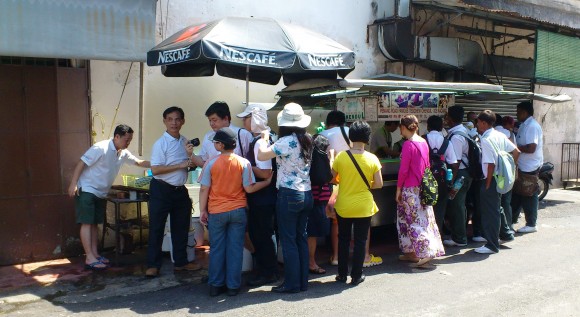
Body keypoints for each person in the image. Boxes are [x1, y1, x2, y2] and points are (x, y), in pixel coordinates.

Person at [198, 127, 272, 297]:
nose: (215, 144)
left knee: (217, 249)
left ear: (220, 145)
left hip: (217, 211)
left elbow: (204, 189)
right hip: (238, 211)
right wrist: (267, 182)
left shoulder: (211, 163)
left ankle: (216, 285)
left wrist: (203, 210)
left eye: (216, 142)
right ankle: (233, 286)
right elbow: (249, 188)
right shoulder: (244, 162)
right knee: (235, 249)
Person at [68, 124, 150, 270]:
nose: (128, 143)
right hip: (87, 189)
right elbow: (81, 163)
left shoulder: (122, 152)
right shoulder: (101, 148)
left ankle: (95, 254)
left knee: (94, 223)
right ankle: (89, 257)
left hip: (100, 192)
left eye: (130, 140)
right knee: (87, 222)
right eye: (126, 140)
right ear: (116, 137)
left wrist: (159, 165)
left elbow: (138, 162)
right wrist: (73, 184)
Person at [257, 103, 313, 294]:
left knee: (288, 240)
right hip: (306, 193)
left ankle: (291, 284)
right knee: (300, 239)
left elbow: (262, 154)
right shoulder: (308, 139)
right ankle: (302, 282)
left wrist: (264, 139)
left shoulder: (286, 141)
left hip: (289, 194)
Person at [321, 111, 382, 268]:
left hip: (343, 202)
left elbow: (332, 178)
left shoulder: (341, 156)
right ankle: (358, 270)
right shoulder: (372, 158)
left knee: (343, 238)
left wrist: (333, 161)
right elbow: (379, 184)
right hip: (364, 205)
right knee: (361, 239)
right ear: (368, 137)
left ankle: (340, 269)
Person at [145, 107, 201, 277]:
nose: (174, 123)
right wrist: (180, 165)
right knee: (156, 228)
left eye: (177, 119)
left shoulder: (185, 141)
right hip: (161, 189)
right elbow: (155, 170)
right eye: (170, 119)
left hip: (180, 190)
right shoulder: (160, 144)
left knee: (181, 228)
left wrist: (190, 162)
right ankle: (153, 265)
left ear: (183, 121)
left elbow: (189, 164)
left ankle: (181, 263)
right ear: (164, 121)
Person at [236, 104, 279, 287]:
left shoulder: (260, 141)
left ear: (255, 119)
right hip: (266, 196)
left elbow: (266, 173)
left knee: (261, 235)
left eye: (246, 118)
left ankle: (267, 272)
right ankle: (265, 270)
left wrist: (244, 165)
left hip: (263, 196)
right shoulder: (269, 137)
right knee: (261, 234)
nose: (244, 121)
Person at [396, 115, 445, 266]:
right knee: (420, 219)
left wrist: (398, 190)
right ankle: (411, 252)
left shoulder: (408, 144)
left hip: (410, 189)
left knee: (413, 221)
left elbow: (404, 170)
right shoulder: (423, 142)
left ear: (403, 127)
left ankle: (425, 252)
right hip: (422, 187)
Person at [474, 110, 520, 254]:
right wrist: (511, 170)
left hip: (492, 179)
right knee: (497, 207)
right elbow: (517, 151)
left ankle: (492, 245)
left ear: (483, 123)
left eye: (478, 122)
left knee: (490, 212)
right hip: (503, 178)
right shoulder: (500, 134)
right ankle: (506, 234)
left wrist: (487, 184)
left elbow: (490, 164)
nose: (476, 125)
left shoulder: (486, 139)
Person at [443, 106, 475, 247]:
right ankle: (459, 234)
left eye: (446, 117)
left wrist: (450, 181)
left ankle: (460, 238)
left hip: (460, 175)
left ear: (450, 118)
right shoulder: (463, 131)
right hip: (464, 174)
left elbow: (455, 163)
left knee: (456, 205)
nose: (445, 119)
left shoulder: (456, 137)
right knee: (460, 204)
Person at [512, 101, 543, 233]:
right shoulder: (524, 125)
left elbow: (531, 148)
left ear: (525, 112)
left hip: (530, 166)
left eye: (518, 112)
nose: (517, 114)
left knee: (529, 193)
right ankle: (512, 221)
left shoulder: (532, 126)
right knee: (518, 193)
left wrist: (514, 148)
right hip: (522, 165)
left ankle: (531, 224)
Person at [190, 101, 254, 167]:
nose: (211, 124)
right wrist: (191, 154)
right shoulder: (208, 136)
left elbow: (251, 163)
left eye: (214, 120)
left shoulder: (243, 134)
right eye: (210, 120)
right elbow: (204, 162)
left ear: (226, 118)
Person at [425, 115, 458, 238]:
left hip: (425, 180)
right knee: (439, 209)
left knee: (426, 207)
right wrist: (450, 182)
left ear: (427, 126)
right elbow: (454, 164)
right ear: (441, 127)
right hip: (442, 181)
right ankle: (437, 237)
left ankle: (426, 237)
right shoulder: (446, 142)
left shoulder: (422, 140)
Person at [307, 134, 332, 275]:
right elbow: (330, 176)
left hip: (311, 199)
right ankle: (311, 262)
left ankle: (309, 261)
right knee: (313, 234)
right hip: (319, 201)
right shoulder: (322, 159)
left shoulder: (308, 158)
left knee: (310, 233)